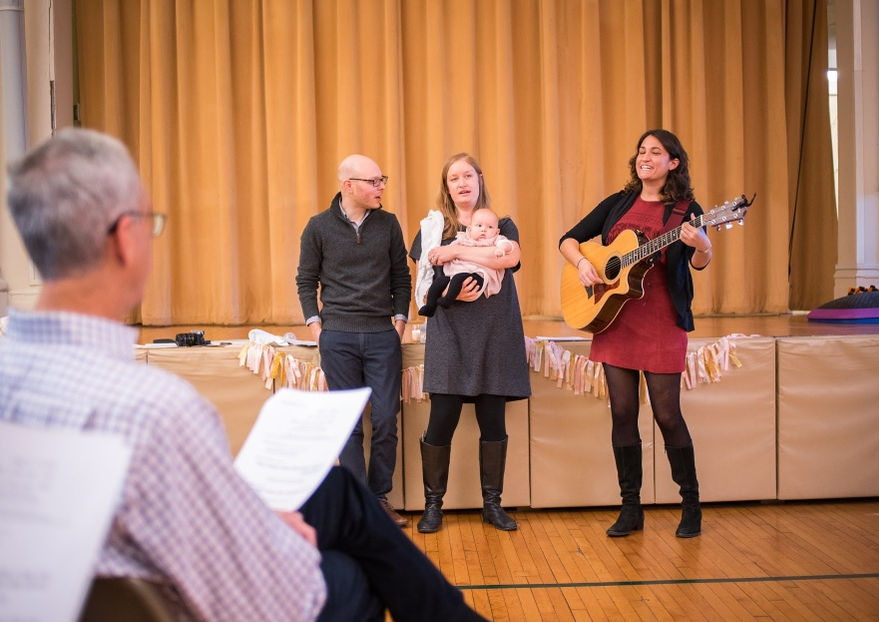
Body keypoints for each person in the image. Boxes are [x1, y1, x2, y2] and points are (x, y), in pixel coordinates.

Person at [0, 128, 486, 622]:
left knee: (338, 493)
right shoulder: (160, 409)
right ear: (126, 238)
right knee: (357, 567)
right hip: (204, 601)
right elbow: (257, 593)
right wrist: (269, 536)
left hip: (81, 590)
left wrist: (251, 518)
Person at [558, 129, 711, 539]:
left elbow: (698, 263)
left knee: (667, 415)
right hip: (615, 321)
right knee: (622, 414)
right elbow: (568, 240)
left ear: (672, 163)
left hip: (662, 323)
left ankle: (690, 504)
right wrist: (582, 265)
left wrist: (703, 247)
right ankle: (631, 508)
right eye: (642, 151)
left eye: (655, 152)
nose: (645, 157)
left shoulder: (686, 210)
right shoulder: (618, 203)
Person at [408, 153, 531, 533]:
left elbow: (508, 261)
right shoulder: (432, 229)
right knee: (441, 419)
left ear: (479, 179)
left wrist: (458, 251)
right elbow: (425, 283)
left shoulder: (502, 224)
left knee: (492, 420)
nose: (461, 183)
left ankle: (492, 505)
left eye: (467, 176)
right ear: (446, 187)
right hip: (450, 333)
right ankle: (433, 506)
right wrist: (451, 292)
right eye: (453, 178)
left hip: (496, 333)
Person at [296, 154, 411, 527]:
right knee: (347, 424)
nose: (381, 187)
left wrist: (399, 323)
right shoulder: (317, 227)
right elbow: (305, 280)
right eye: (374, 181)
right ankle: (359, 506)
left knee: (385, 420)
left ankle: (379, 499)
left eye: (382, 180)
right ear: (349, 185)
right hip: (337, 337)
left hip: (382, 335)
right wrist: (317, 328)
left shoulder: (389, 224)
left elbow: (400, 278)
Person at [418, 207, 515, 317]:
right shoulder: (465, 238)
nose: (484, 230)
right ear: (470, 228)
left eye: (490, 227)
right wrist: (439, 256)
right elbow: (449, 250)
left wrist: (502, 249)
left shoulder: (495, 240)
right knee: (439, 282)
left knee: (458, 278)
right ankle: (429, 307)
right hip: (456, 273)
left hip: (479, 275)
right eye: (479, 226)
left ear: (497, 231)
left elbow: (508, 246)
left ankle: (447, 300)